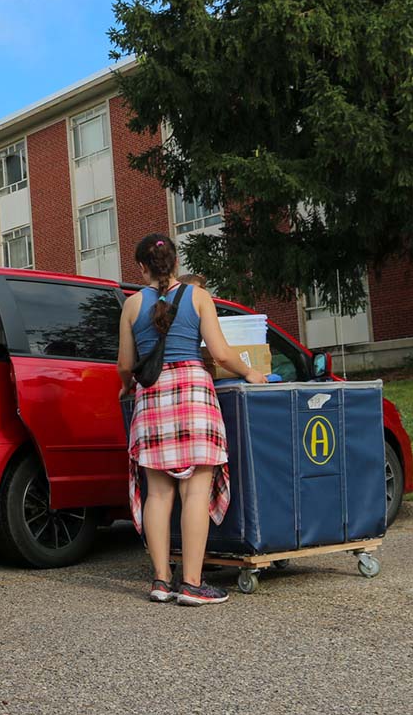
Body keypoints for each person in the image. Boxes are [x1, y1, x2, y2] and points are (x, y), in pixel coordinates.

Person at [117, 234, 268, 606]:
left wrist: (126, 388)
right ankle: (192, 583)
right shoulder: (199, 297)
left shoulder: (132, 305)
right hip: (193, 393)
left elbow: (124, 364)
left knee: (158, 492)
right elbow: (219, 352)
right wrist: (249, 373)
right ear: (176, 261)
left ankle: (160, 580)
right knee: (196, 491)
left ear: (141, 267)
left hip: (151, 396)